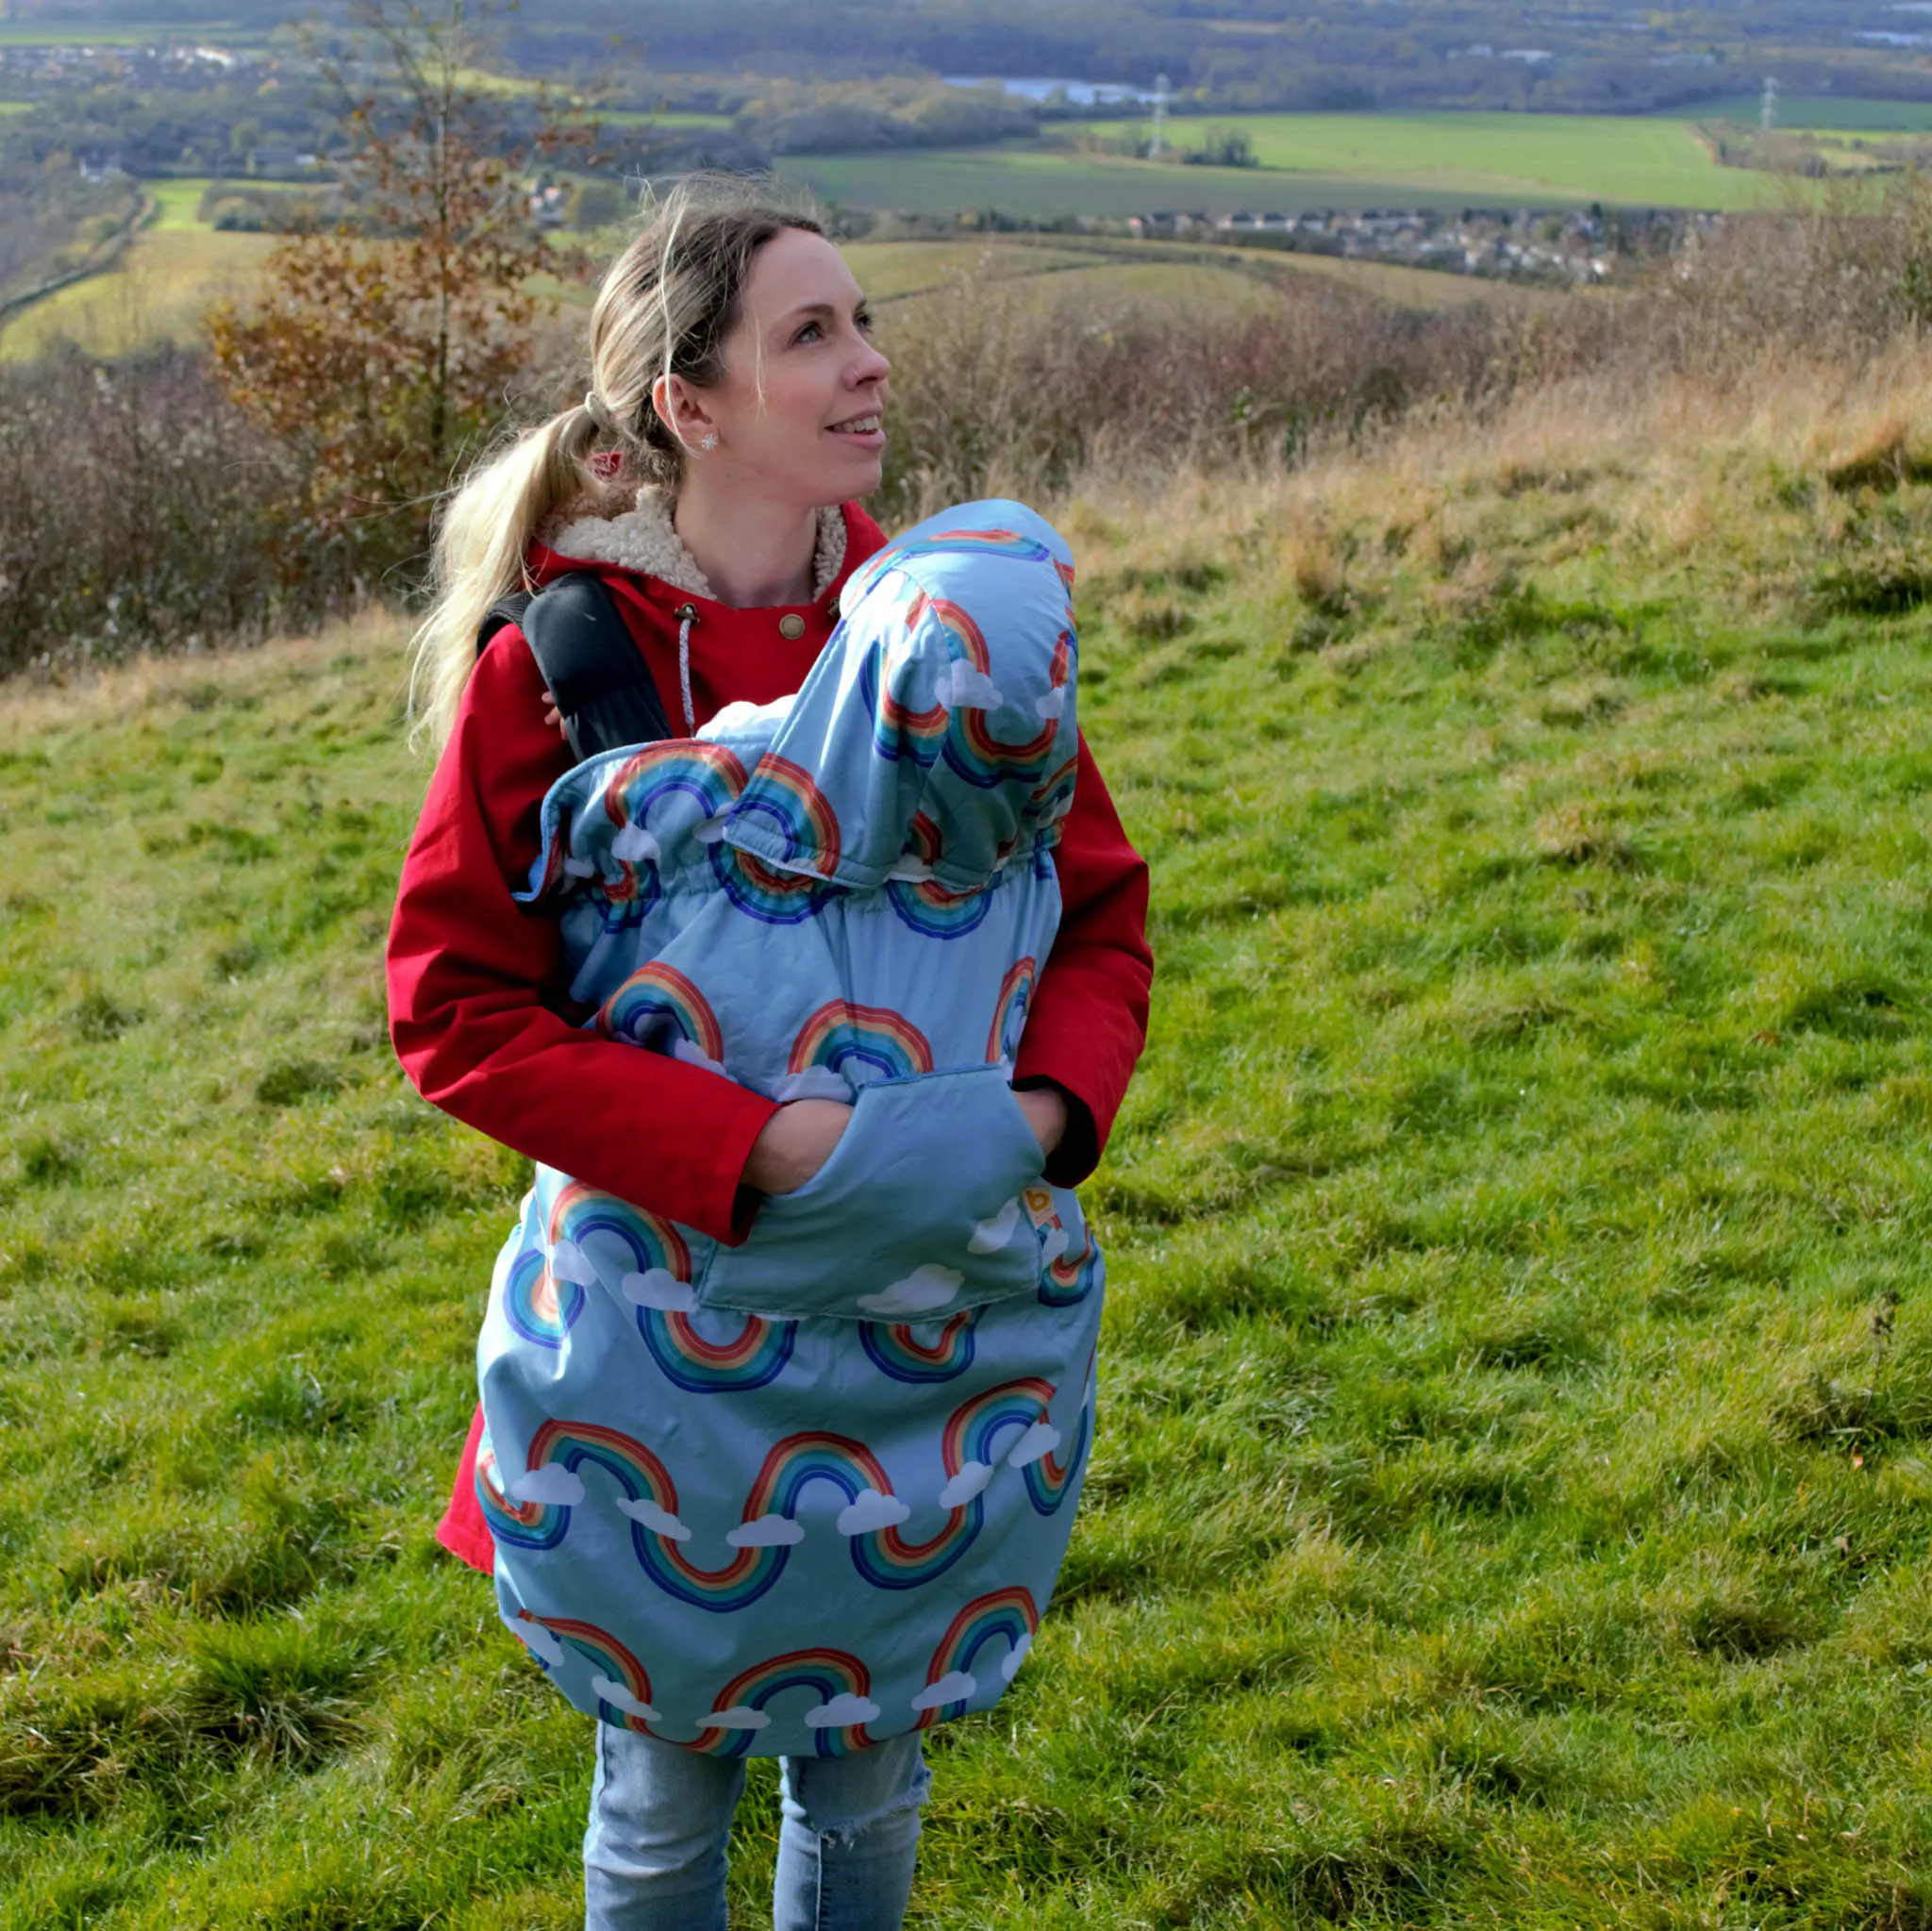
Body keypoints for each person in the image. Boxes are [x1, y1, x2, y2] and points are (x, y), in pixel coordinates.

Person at [385, 177, 1152, 1931]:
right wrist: (757, 1151)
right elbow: (453, 1007)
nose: (870, 365)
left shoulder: (956, 656)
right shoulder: (565, 664)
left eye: (866, 321)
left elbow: (1099, 915)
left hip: (925, 1334)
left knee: (874, 1769)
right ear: (689, 403)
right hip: (665, 1355)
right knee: (661, 1788)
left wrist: (1038, 1118)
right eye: (813, 332)